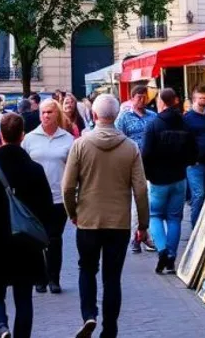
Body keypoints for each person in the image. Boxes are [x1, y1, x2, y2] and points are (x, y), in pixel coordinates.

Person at [62, 94, 149, 338]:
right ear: (116, 116)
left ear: (96, 115)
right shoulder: (130, 147)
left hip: (88, 219)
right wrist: (142, 224)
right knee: (112, 277)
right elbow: (141, 190)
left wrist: (73, 211)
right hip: (118, 222)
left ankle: (89, 314)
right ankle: (110, 329)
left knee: (87, 269)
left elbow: (68, 186)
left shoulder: (80, 144)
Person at [0, 113, 54, 338]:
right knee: (24, 296)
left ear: (0, 135)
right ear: (22, 136)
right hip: (27, 243)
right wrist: (44, 237)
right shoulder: (35, 169)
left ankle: (1, 327)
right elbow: (46, 208)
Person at [140, 88, 196, 274]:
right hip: (179, 177)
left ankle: (162, 250)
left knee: (155, 216)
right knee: (175, 218)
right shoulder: (185, 123)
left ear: (161, 102)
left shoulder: (154, 124)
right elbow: (193, 152)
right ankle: (171, 257)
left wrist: (147, 174)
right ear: (175, 101)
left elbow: (145, 154)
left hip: (157, 179)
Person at [22, 98, 74, 294]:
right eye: (42, 112)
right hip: (34, 199)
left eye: (49, 112)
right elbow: (23, 168)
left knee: (54, 239)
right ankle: (39, 277)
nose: (45, 116)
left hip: (58, 198)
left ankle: (54, 278)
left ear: (57, 114)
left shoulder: (68, 139)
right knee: (36, 240)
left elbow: (73, 169)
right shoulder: (30, 138)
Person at [113, 85, 157, 254]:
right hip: (132, 164)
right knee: (135, 201)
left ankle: (147, 237)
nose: (142, 100)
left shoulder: (153, 117)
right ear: (132, 99)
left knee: (149, 200)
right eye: (138, 97)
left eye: (144, 97)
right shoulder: (124, 118)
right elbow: (117, 138)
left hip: (150, 164)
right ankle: (135, 237)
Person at [183, 84, 205, 222]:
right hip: (195, 164)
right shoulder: (187, 118)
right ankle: (196, 228)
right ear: (194, 99)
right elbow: (183, 141)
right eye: (201, 98)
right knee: (198, 195)